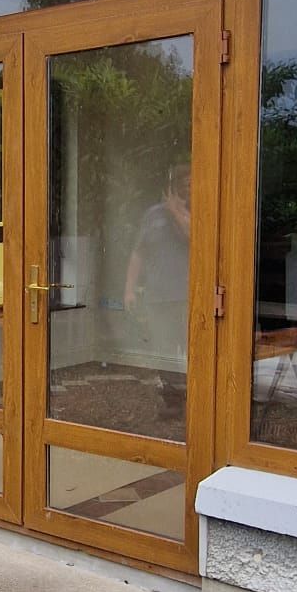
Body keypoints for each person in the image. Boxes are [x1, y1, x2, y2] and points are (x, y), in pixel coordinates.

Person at [124, 159, 191, 417]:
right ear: (172, 186)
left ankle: (198, 403)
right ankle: (174, 403)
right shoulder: (153, 214)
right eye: (182, 184)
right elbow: (138, 252)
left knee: (190, 349)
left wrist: (176, 211)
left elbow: (195, 238)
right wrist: (129, 289)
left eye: (190, 184)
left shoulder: (201, 210)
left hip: (187, 297)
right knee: (164, 351)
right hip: (158, 296)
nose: (186, 188)